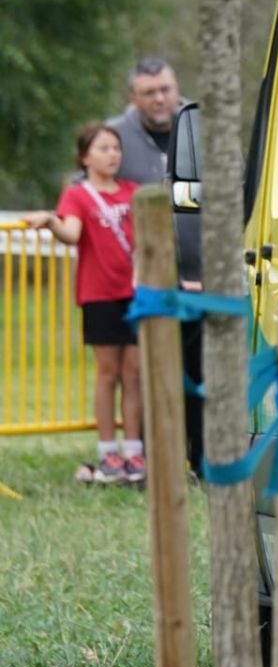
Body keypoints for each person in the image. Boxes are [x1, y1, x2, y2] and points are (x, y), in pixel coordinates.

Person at [26, 123, 142, 484]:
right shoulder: (78, 195)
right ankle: (108, 454)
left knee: (133, 375)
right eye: (104, 148)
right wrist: (50, 221)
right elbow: (71, 234)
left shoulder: (133, 192)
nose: (112, 154)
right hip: (99, 295)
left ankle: (134, 454)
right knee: (108, 374)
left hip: (135, 294)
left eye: (116, 148)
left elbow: (145, 241)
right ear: (84, 156)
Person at [105, 57, 203, 472]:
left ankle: (202, 457)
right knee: (144, 373)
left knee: (201, 373)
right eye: (149, 92)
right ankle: (148, 459)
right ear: (134, 97)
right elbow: (86, 188)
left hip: (201, 279)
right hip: (142, 283)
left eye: (165, 88)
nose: (160, 98)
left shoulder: (200, 126)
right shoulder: (115, 137)